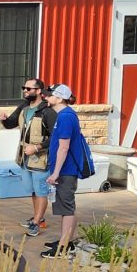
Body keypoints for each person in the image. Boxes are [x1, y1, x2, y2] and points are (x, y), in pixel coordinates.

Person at [1, 77, 57, 237]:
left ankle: (36, 223)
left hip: (41, 159)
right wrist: (4, 121)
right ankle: (39, 218)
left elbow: (56, 137)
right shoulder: (24, 107)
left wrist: (37, 147)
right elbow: (12, 123)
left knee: (41, 191)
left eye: (28, 88)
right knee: (32, 190)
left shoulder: (48, 111)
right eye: (24, 88)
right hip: (25, 158)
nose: (25, 91)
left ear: (38, 91)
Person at [42, 85, 92, 259]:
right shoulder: (64, 115)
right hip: (64, 170)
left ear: (59, 98)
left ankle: (63, 247)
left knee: (66, 208)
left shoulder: (65, 117)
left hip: (65, 171)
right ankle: (66, 241)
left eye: (50, 96)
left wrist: (55, 173)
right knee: (67, 206)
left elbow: (64, 147)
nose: (46, 98)